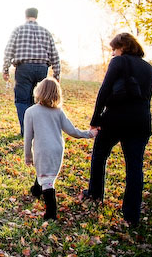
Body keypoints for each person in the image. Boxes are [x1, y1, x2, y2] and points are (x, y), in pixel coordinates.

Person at [83, 32, 152, 227]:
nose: (113, 53)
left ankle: (95, 193)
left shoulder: (119, 62)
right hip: (140, 122)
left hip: (115, 118)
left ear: (122, 48)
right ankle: (132, 215)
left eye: (114, 49)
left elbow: (104, 90)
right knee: (134, 168)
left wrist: (95, 119)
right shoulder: (149, 68)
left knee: (99, 154)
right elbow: (146, 97)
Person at [24, 78, 97, 220]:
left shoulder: (30, 112)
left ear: (38, 91)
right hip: (57, 149)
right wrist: (89, 134)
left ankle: (51, 213)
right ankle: (36, 190)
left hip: (42, 149)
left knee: (47, 180)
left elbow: (28, 137)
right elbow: (72, 131)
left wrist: (28, 156)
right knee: (46, 172)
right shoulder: (58, 112)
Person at [2, 7, 61, 136]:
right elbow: (55, 55)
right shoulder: (46, 32)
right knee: (39, 101)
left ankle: (27, 132)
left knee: (22, 100)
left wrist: (5, 69)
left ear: (25, 16)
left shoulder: (18, 30)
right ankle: (37, 131)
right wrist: (56, 75)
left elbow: (9, 51)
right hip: (42, 68)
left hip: (24, 68)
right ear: (36, 16)